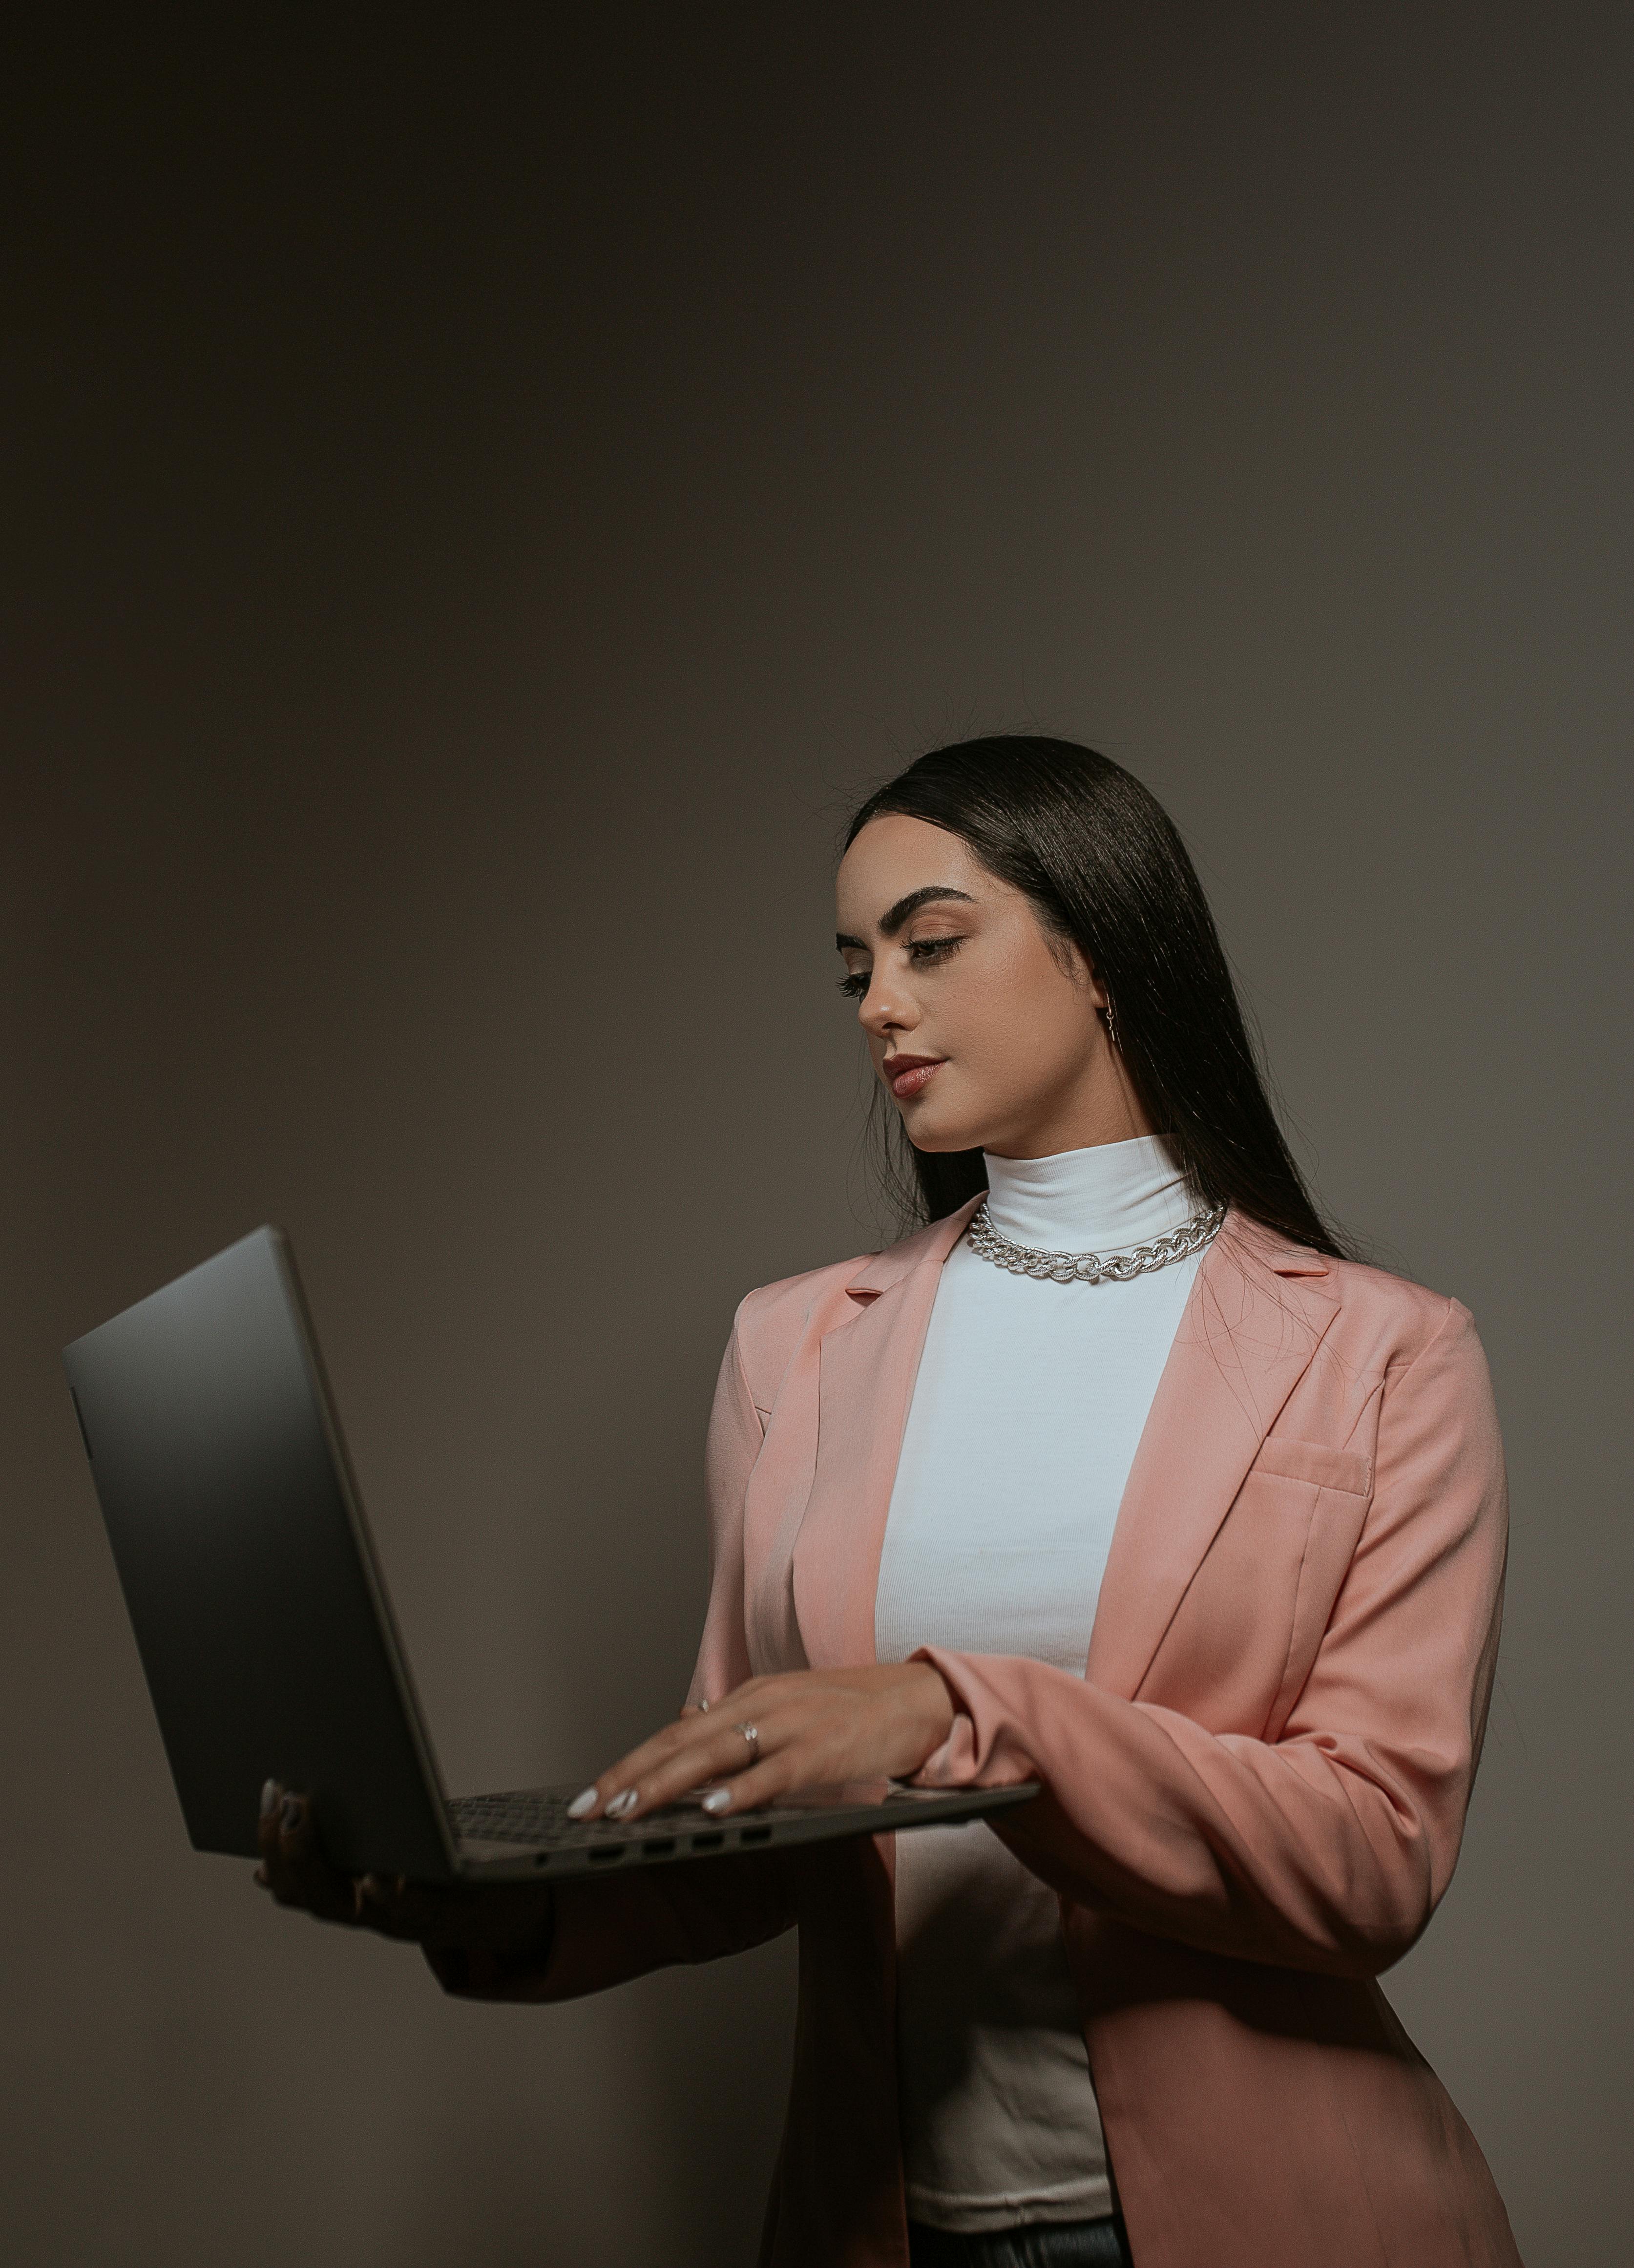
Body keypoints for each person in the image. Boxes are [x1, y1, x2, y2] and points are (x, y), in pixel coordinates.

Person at [260, 737, 1523, 2268]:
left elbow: (1371, 1854)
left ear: (1105, 946)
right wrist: (470, 1898)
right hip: (886, 2218)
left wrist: (949, 1714)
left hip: (1283, 2217)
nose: (879, 1004)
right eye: (854, 966)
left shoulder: (1383, 1350)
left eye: (929, 943)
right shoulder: (794, 1344)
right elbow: (749, 1821)